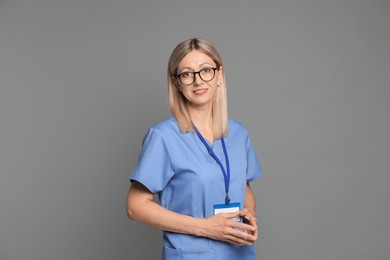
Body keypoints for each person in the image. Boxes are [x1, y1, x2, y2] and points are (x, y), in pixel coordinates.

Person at [126, 38, 262, 260]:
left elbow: (244, 187)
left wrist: (250, 215)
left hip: (240, 253)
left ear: (219, 75)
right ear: (177, 83)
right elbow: (135, 206)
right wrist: (204, 227)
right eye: (187, 74)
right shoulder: (163, 137)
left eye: (206, 70)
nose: (198, 81)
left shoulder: (238, 133)